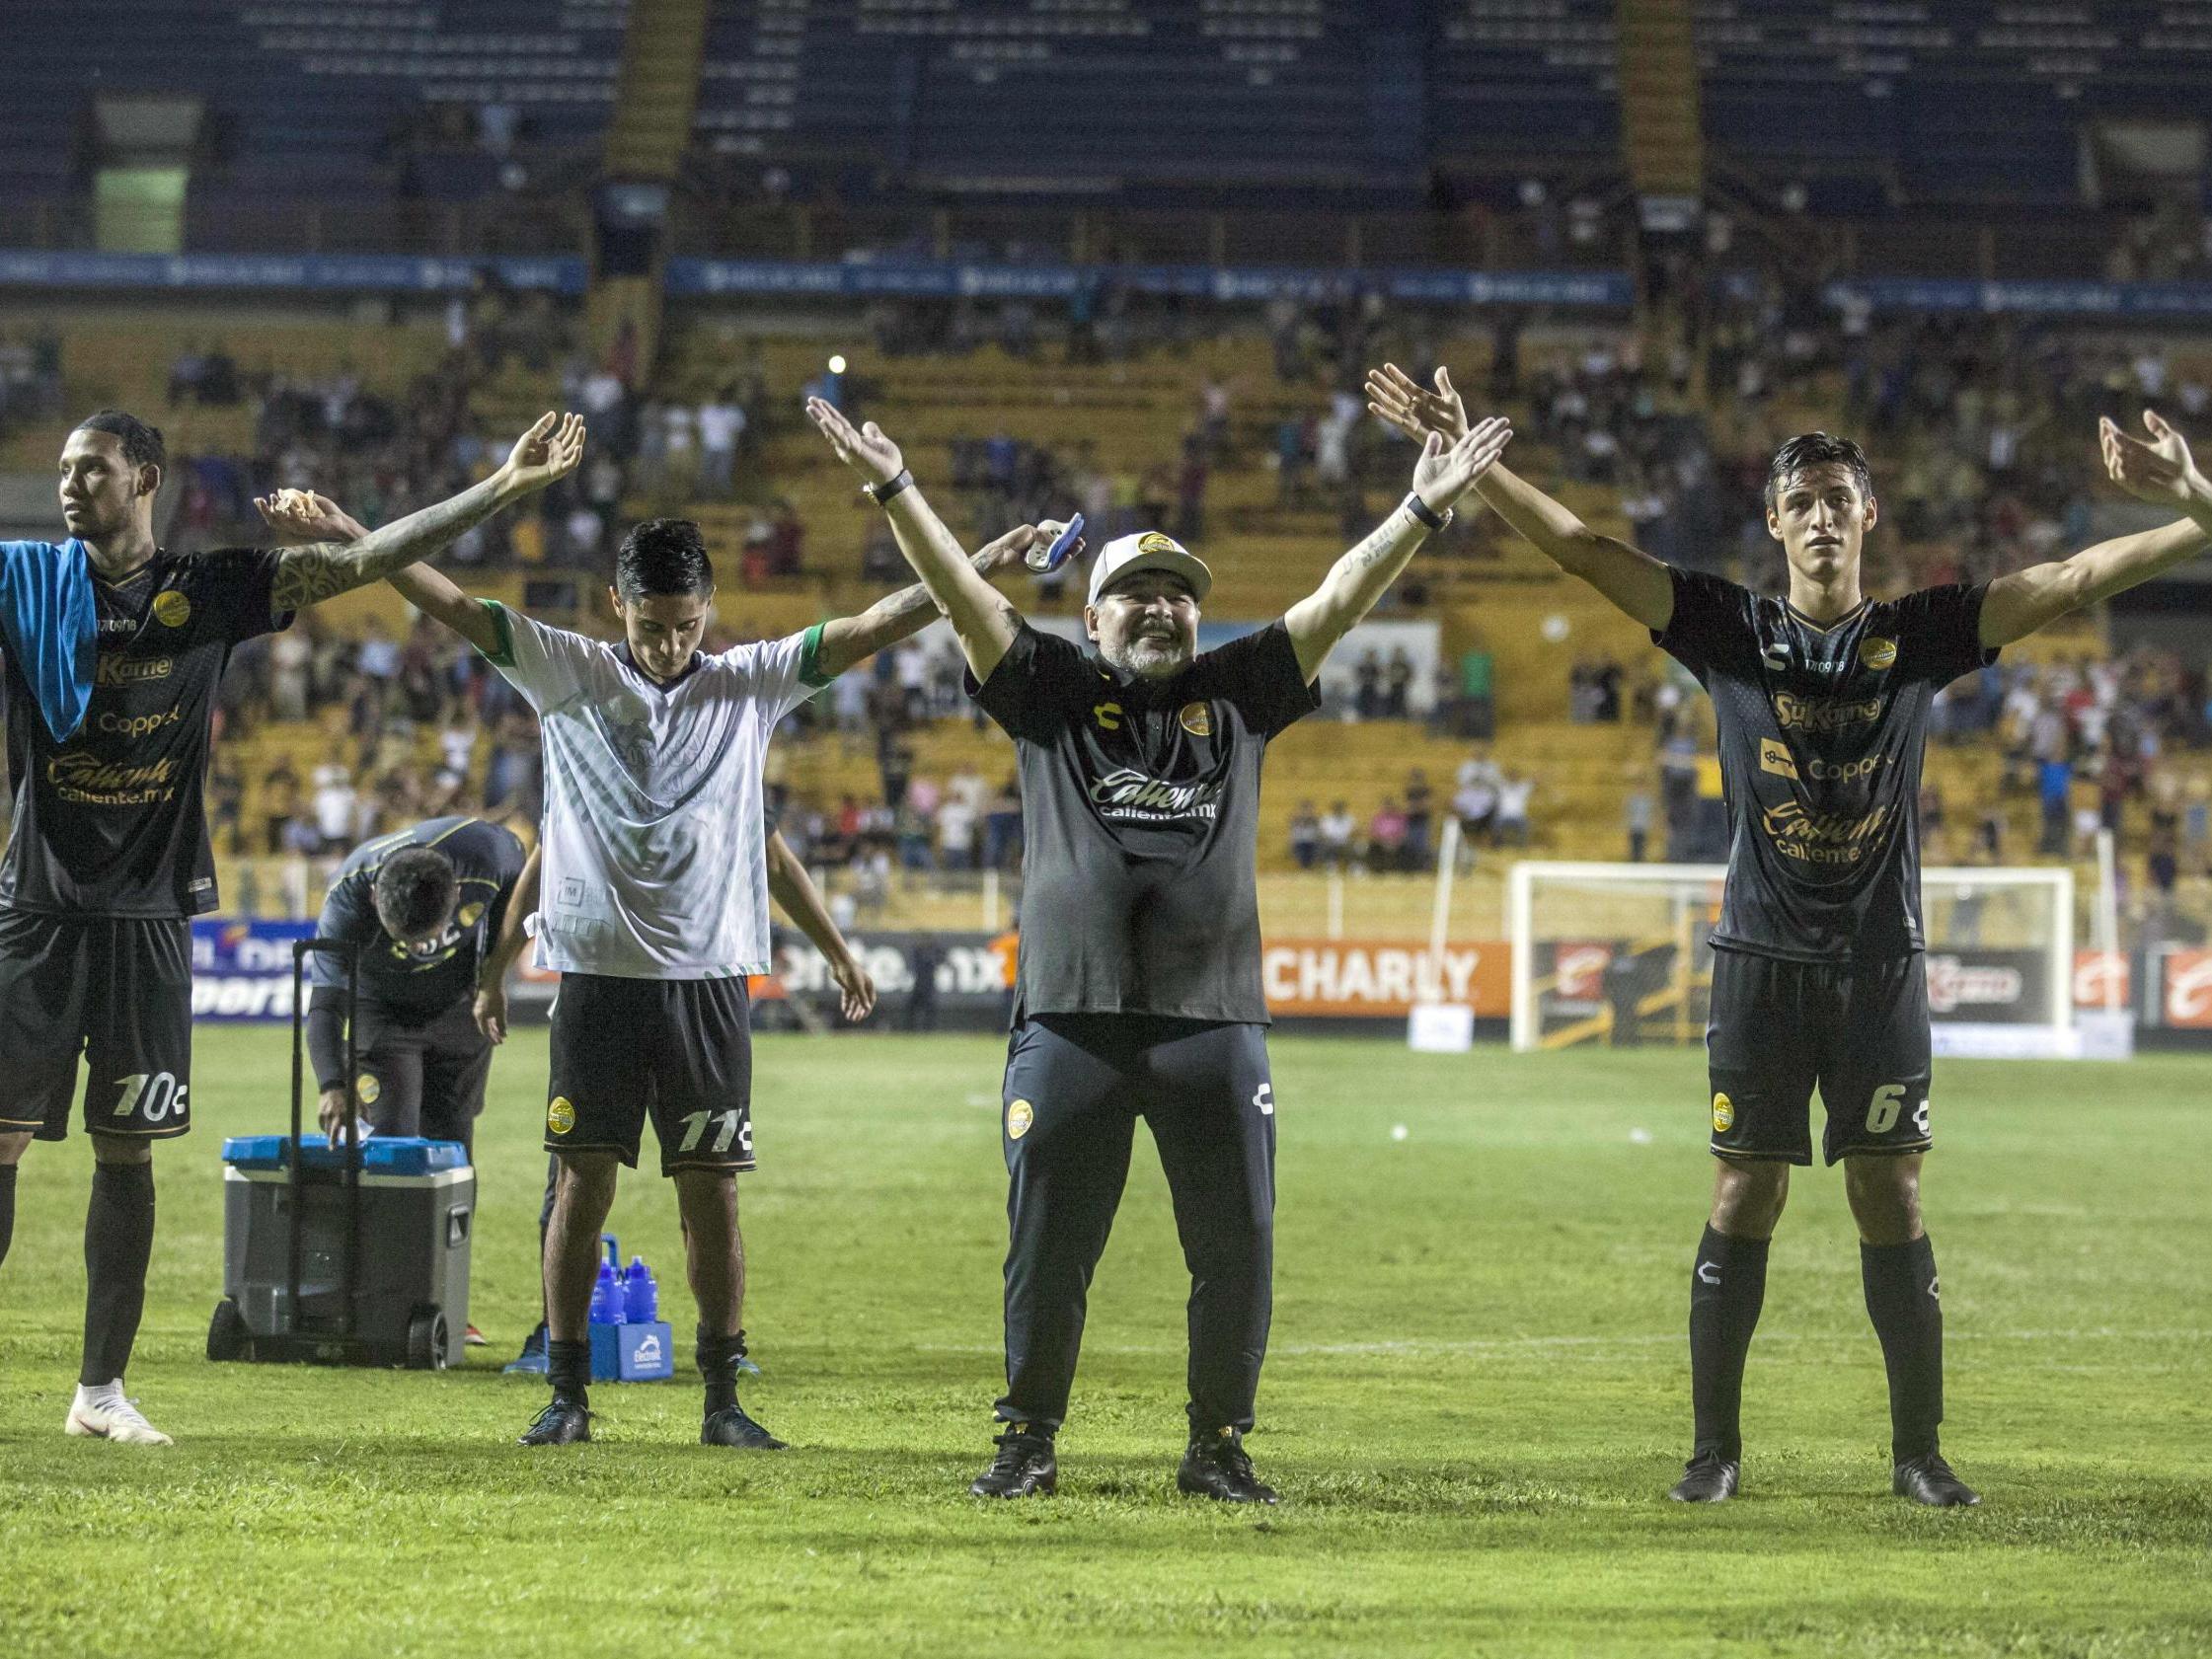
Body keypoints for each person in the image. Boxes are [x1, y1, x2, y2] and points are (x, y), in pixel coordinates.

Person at [1372, 361, 2212, 1508]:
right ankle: (1712, 1453)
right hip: (1759, 964)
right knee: (1741, 1194)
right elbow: (1584, 552)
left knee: (1894, 1198)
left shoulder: (1920, 634)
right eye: (1800, 501)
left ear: (1870, 517)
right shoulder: (1727, 626)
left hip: (1879, 967)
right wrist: (1484, 471)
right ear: (1774, 523)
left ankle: (1918, 1455)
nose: (1820, 517)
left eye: (1838, 499)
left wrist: (2196, 498)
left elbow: (2069, 578)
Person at [809, 391, 1511, 1502]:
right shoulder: (1048, 690)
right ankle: (1027, 1440)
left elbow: (1338, 598)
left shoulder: (1238, 696)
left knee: (1237, 1247)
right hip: (1069, 1019)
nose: (1160, 608)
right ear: (1092, 618)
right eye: (1136, 591)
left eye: (1179, 594)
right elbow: (960, 595)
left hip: (1214, 1022)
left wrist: (1420, 509)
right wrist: (899, 488)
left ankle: (1217, 1446)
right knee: (1050, 1249)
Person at [386, 512, 1035, 1449]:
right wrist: (358, 540)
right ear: (617, 605)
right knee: (580, 1186)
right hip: (599, 978)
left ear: (710, 609)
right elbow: (447, 599)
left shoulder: (748, 683)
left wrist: (972, 563)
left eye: (686, 623)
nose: (668, 642)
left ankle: (723, 1398)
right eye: (652, 624)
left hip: (707, 982)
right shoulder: (566, 667)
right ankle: (566, 1392)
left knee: (712, 1191)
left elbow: (873, 624)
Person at [0, 408, 580, 1446]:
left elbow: (362, 560)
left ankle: (101, 1391)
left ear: (147, 479)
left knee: (126, 1153)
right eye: (62, 468)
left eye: (92, 468)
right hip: (35, 910)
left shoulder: (208, 590)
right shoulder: (24, 585)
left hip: (148, 919)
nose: (69, 483)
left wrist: (499, 490)